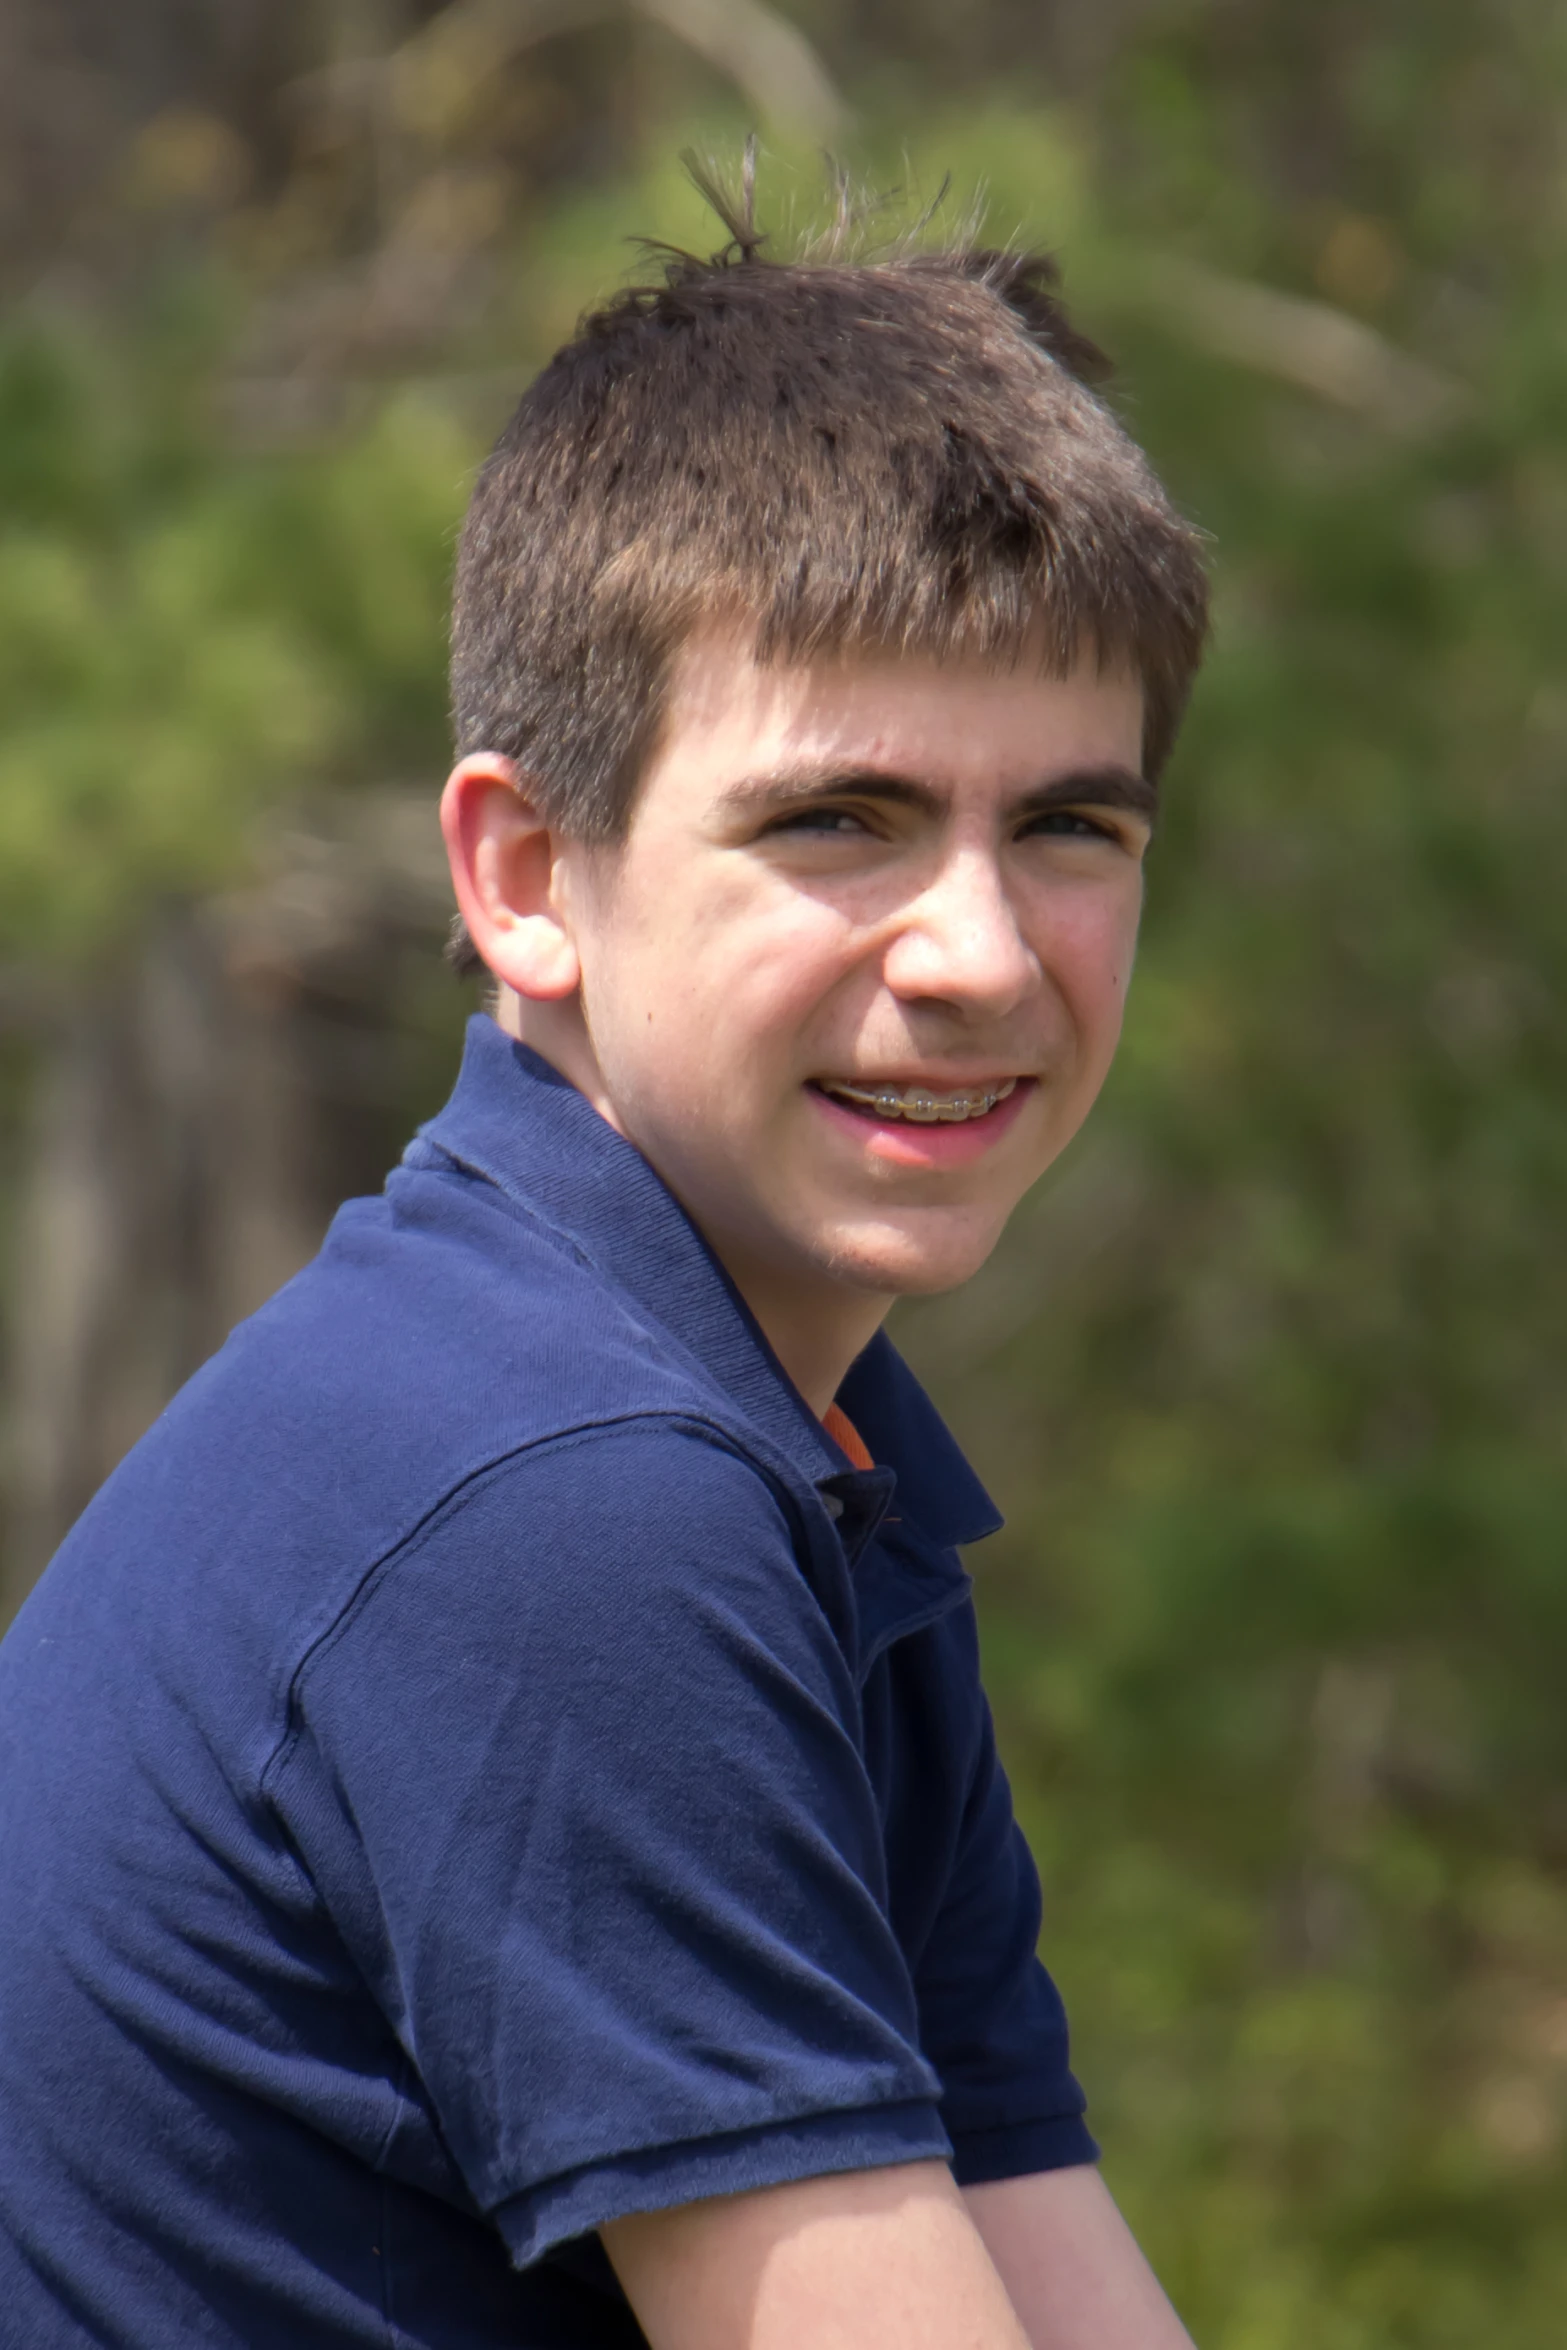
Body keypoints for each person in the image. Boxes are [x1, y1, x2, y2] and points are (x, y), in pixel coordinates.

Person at [0, 176, 1209, 2349]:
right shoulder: (552, 1496)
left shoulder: (800, 1460)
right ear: (530, 872)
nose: (983, 952)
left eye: (1069, 826)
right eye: (836, 819)